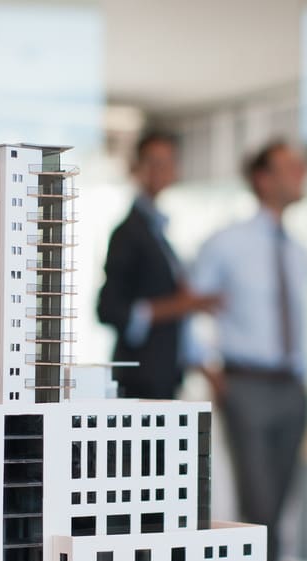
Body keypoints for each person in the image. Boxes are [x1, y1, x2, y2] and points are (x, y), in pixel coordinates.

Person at [189, 140, 307, 561]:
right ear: (263, 178)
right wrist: (207, 368)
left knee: (278, 507)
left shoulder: (298, 251)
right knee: (259, 507)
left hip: (292, 389)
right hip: (247, 384)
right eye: (291, 166)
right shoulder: (228, 242)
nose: (302, 173)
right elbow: (188, 307)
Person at [98, 132, 220, 400]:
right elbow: (108, 309)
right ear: (136, 167)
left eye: (167, 162)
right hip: (140, 380)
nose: (160, 170)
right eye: (153, 161)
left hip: (163, 376)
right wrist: (180, 305)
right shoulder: (128, 233)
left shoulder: (158, 233)